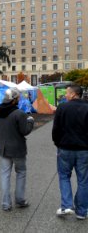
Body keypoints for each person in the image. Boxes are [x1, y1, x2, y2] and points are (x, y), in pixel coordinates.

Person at [0, 87, 35, 211]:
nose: (19, 99)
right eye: (17, 97)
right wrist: (30, 121)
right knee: (21, 173)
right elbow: (25, 131)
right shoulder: (19, 113)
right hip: (18, 149)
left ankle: (6, 204)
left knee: (5, 175)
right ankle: (20, 200)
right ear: (13, 99)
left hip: (3, 149)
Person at [52, 84, 88, 220]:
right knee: (84, 180)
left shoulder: (62, 107)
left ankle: (67, 206)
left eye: (67, 93)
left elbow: (56, 129)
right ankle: (82, 211)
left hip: (65, 149)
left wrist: (57, 144)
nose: (65, 95)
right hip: (84, 150)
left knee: (64, 176)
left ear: (73, 94)